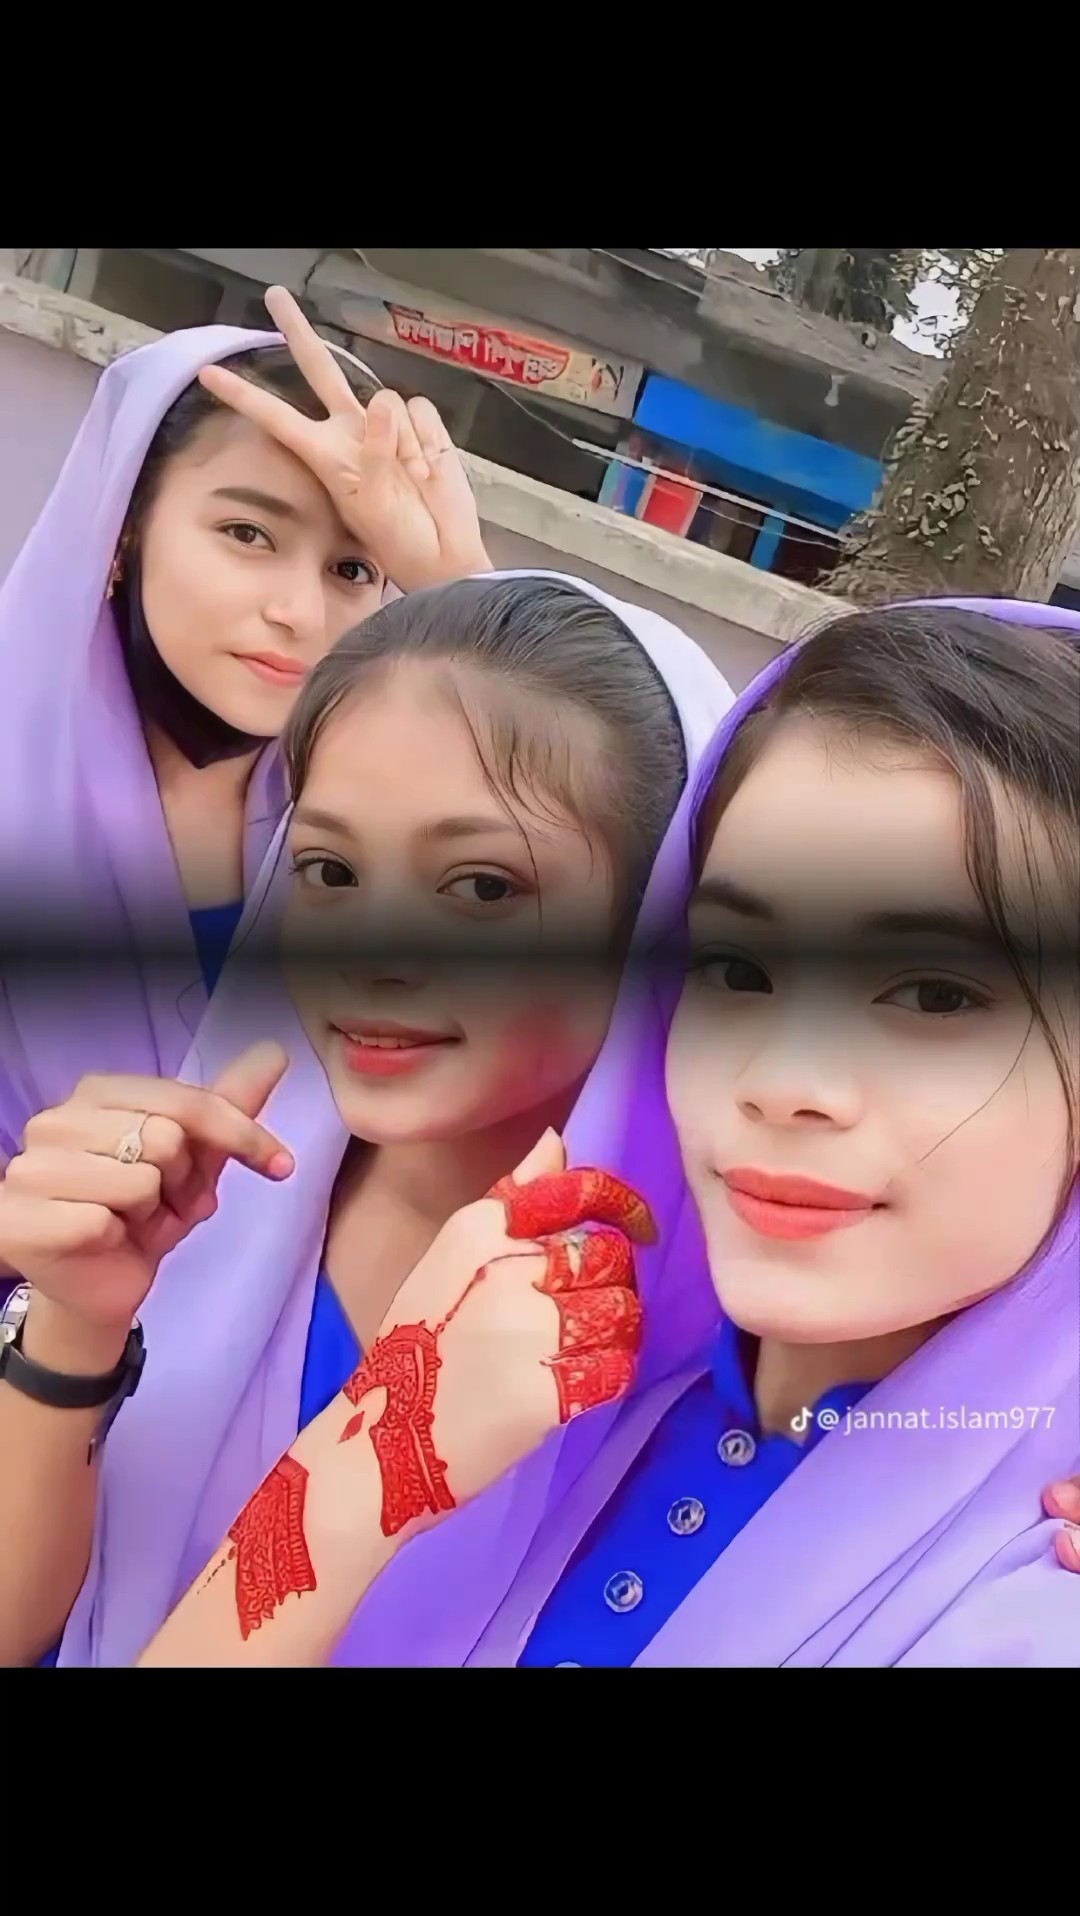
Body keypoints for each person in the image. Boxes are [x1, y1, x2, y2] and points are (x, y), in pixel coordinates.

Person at [143, 596, 1080, 1668]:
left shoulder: (1035, 1594)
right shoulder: (579, 1415)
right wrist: (369, 1465)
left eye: (934, 994)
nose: (783, 1082)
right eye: (737, 968)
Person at [0, 570, 733, 1667]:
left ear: (655, 920)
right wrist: (71, 1326)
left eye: (481, 887)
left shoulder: (710, 1339)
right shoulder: (203, 1205)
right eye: (330, 869)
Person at [0, 286, 490, 1166]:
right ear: (123, 530)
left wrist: (463, 586)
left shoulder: (369, 817)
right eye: (247, 533)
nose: (299, 612)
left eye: (352, 569)